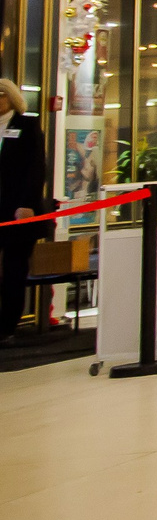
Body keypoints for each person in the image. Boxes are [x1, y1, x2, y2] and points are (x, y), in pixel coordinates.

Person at [0, 78, 47, 346]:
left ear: (11, 98)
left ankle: (8, 327)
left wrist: (27, 203)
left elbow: (36, 167)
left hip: (19, 210)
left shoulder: (26, 126)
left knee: (14, 268)